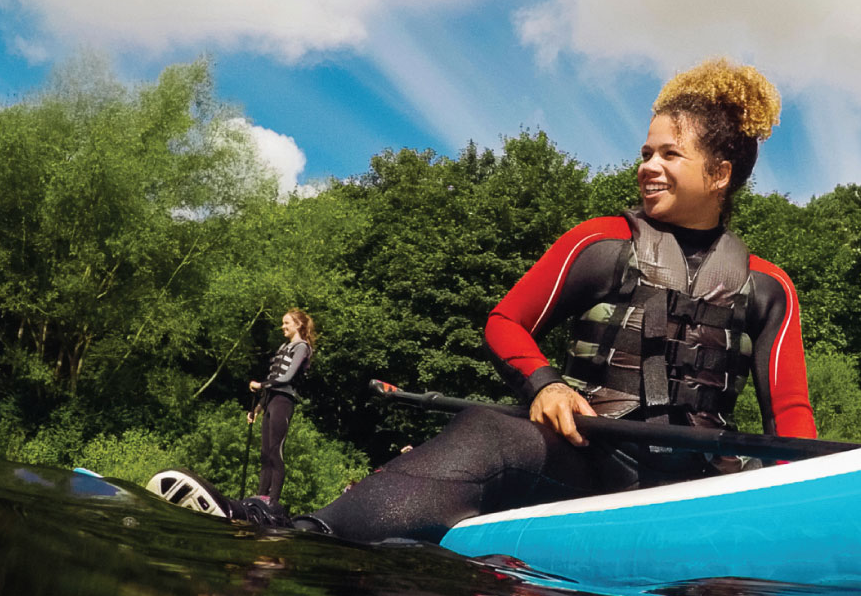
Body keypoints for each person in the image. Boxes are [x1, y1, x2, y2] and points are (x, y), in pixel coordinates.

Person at [153, 59, 813, 543]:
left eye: (670, 153)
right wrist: (547, 386)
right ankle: (297, 535)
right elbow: (505, 322)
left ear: (719, 173)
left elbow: (791, 413)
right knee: (492, 432)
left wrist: (810, 489)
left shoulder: (768, 288)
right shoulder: (601, 244)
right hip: (593, 464)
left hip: (702, 490)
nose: (647, 165)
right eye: (644, 151)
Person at [247, 309, 315, 504]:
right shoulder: (283, 347)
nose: (282, 327)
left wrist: (261, 385)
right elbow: (273, 378)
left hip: (283, 401)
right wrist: (257, 409)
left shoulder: (301, 347)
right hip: (270, 401)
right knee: (265, 453)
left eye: (286, 323)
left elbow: (286, 377)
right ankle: (260, 498)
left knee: (276, 452)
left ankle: (272, 501)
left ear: (298, 325)